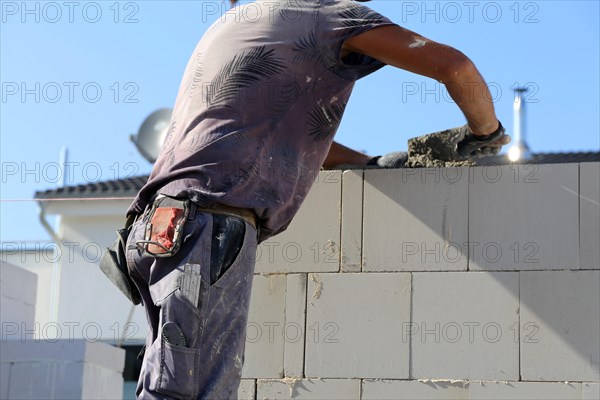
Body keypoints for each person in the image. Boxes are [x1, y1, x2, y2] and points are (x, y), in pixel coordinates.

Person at [124, 0, 510, 398]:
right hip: (208, 228)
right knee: (192, 391)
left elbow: (279, 135)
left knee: (167, 386)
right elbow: (455, 68)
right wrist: (485, 132)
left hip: (157, 225)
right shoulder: (328, 15)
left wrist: (371, 163)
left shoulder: (238, 22)